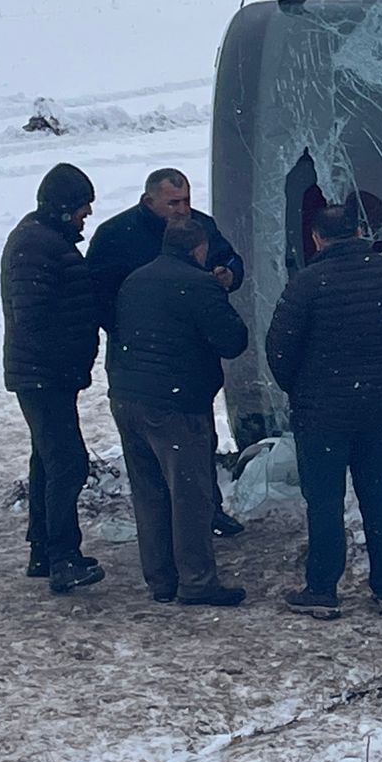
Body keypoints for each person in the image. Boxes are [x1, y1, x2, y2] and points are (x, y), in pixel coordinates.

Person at [265, 198, 382, 619]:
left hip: (323, 415)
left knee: (326, 502)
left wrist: (300, 389)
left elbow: (279, 349)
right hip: (379, 408)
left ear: (316, 239)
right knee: (378, 495)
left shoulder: (307, 284)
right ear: (358, 232)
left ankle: (323, 589)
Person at [86, 167, 248, 537]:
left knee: (199, 441)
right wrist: (136, 331)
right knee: (153, 457)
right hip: (139, 361)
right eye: (173, 203)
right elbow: (97, 296)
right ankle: (173, 540)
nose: (181, 210)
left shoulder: (200, 228)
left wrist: (228, 275)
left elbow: (234, 261)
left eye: (186, 201)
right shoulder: (115, 236)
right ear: (149, 201)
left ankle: (208, 511)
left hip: (192, 363)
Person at [107, 217, 250, 607]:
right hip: (175, 404)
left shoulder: (135, 280)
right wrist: (218, 290)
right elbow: (233, 340)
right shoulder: (200, 284)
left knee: (149, 491)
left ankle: (161, 580)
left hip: (127, 397)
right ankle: (197, 582)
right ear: (199, 249)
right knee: (190, 494)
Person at [0, 163, 106, 595]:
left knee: (47, 459)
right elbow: (35, 315)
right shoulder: (37, 245)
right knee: (67, 462)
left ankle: (43, 549)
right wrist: (69, 350)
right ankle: (63, 556)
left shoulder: (41, 240)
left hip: (46, 374)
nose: (87, 215)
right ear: (64, 207)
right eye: (83, 207)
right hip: (44, 376)